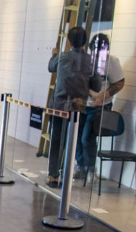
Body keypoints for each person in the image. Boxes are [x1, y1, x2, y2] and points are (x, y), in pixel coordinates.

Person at [46, 26, 101, 188]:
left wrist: (54, 55)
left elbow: (50, 67)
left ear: (69, 42)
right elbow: (97, 86)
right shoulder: (90, 60)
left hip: (59, 106)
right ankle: (68, 171)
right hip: (78, 108)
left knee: (56, 139)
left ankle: (53, 175)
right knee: (73, 141)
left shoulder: (62, 57)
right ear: (85, 42)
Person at [74, 33, 125, 179]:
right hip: (84, 104)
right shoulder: (85, 61)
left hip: (100, 106)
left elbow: (119, 83)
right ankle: (80, 166)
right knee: (77, 137)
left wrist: (103, 97)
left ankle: (91, 169)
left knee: (87, 138)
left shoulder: (112, 62)